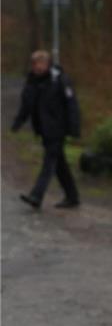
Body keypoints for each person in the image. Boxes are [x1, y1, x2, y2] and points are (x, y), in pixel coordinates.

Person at [12, 50, 81, 209]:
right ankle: (73, 196)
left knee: (49, 162)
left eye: (41, 63)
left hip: (58, 128)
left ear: (47, 64)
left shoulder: (60, 80)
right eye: (35, 63)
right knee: (59, 164)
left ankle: (36, 195)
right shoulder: (32, 82)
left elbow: (72, 105)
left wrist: (74, 128)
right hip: (44, 129)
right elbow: (26, 105)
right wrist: (18, 122)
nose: (38, 66)